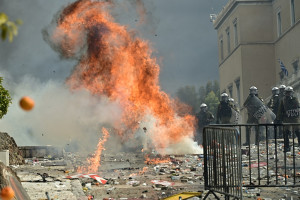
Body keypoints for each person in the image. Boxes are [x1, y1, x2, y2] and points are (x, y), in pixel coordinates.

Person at [277, 86, 300, 151]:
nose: (288, 94)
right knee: (286, 133)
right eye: (287, 92)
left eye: (290, 92)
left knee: (298, 132)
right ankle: (287, 147)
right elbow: (280, 109)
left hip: (295, 118)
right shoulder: (283, 100)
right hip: (287, 118)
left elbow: (298, 107)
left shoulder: (295, 99)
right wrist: (279, 118)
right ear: (285, 93)